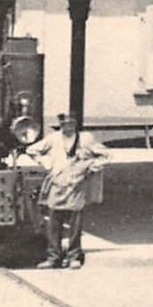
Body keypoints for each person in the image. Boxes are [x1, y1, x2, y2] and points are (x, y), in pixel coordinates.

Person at [25, 112, 109, 269]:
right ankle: (53, 256)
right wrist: (46, 162)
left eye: (70, 123)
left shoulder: (86, 139)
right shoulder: (53, 139)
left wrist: (91, 166)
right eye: (64, 124)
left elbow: (106, 155)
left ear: (75, 124)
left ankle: (74, 256)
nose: (67, 126)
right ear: (60, 125)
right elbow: (32, 150)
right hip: (57, 183)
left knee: (75, 223)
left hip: (76, 186)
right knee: (53, 222)